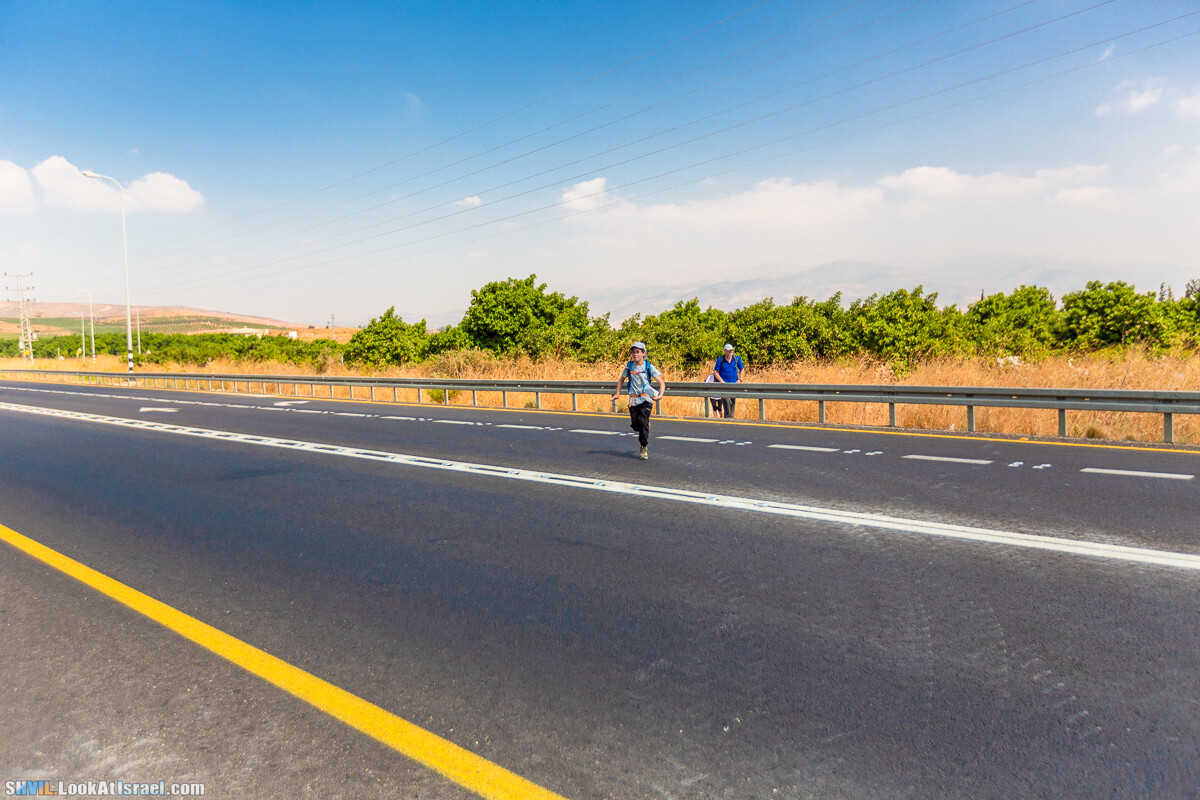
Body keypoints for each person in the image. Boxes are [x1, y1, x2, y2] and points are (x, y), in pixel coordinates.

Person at [612, 341, 665, 460]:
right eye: (633, 352)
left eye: (638, 352)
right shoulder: (629, 366)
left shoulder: (649, 366)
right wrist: (617, 394)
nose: (635, 354)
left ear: (643, 353)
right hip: (633, 400)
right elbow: (621, 380)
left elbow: (661, 382)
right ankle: (643, 425)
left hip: (647, 398)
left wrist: (660, 395)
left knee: (643, 422)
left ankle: (643, 447)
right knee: (636, 425)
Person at [711, 343, 745, 418]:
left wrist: (740, 379)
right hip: (724, 385)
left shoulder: (736, 359)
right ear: (725, 351)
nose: (731, 351)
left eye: (732, 349)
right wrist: (721, 381)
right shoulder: (720, 359)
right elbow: (716, 372)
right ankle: (727, 418)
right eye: (729, 350)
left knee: (732, 402)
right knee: (726, 400)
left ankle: (731, 418)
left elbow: (742, 369)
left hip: (733, 385)